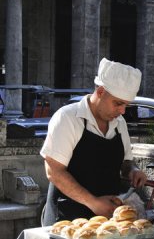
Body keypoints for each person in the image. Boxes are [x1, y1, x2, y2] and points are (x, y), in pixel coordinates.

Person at [41, 57, 147, 226]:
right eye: (118, 103)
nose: (122, 111)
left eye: (126, 105)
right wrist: (93, 202)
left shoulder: (120, 124)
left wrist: (132, 170)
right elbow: (54, 172)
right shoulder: (67, 118)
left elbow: (126, 162)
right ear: (100, 92)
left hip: (108, 221)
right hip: (67, 219)